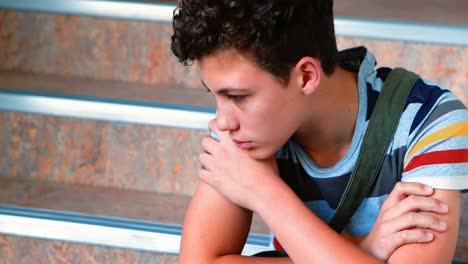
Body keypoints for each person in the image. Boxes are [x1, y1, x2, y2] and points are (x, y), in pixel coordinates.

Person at [170, 0, 468, 263]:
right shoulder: (248, 134)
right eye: (216, 95)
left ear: (306, 76)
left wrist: (265, 193)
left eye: (237, 97)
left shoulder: (431, 121)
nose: (222, 122)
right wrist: (363, 250)